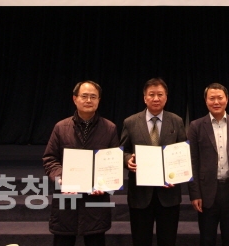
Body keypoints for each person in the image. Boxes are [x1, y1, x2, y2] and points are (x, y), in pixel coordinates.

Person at [43, 80, 119, 246]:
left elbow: (114, 163)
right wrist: (61, 179)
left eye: (93, 97)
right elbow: (50, 158)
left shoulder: (110, 128)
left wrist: (105, 184)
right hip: (66, 198)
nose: (88, 100)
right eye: (84, 96)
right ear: (75, 99)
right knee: (63, 239)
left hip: (96, 200)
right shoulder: (61, 127)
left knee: (95, 240)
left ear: (99, 100)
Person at [119, 78, 187, 246]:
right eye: (151, 94)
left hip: (169, 194)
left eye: (160, 94)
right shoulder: (131, 122)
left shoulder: (176, 121)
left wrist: (178, 174)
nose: (156, 98)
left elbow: (183, 153)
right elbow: (122, 151)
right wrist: (127, 160)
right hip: (140, 194)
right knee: (140, 240)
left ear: (166, 97)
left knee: (168, 240)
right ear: (145, 98)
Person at [188, 83, 229, 246]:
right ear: (205, 101)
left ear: (227, 99)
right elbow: (192, 161)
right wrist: (195, 194)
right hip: (206, 191)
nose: (216, 102)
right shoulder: (196, 126)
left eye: (220, 98)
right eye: (212, 98)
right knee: (207, 239)